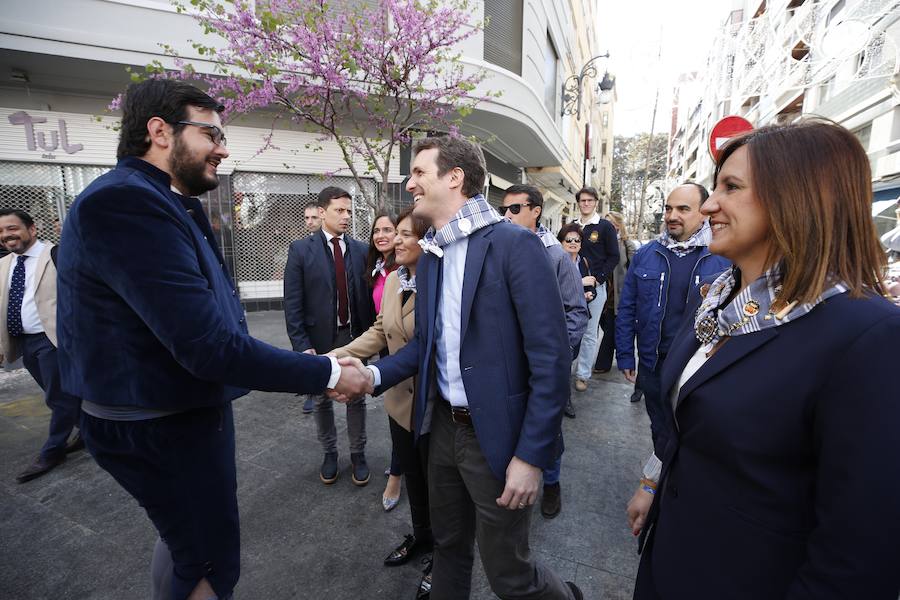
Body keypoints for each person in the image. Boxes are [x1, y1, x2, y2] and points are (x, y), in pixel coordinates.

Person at [55, 79, 372, 600]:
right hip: (159, 425)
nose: (223, 148)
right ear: (160, 131)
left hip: (174, 414)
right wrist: (332, 372)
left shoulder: (164, 200)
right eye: (211, 133)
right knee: (208, 561)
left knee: (184, 547)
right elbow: (207, 344)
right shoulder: (125, 204)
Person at [626, 120, 900, 599]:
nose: (710, 205)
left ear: (796, 198)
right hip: (670, 559)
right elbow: (688, 423)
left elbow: (860, 553)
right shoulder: (716, 299)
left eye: (731, 187)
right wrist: (652, 484)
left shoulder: (867, 335)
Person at [364, 135, 583, 600]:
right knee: (448, 547)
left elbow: (551, 359)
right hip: (442, 427)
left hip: (500, 439)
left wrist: (530, 456)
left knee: (510, 575)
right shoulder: (434, 253)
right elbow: (426, 344)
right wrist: (374, 375)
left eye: (419, 172)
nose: (410, 184)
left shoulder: (515, 246)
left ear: (455, 178)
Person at [332, 206, 434, 599]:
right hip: (398, 402)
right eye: (399, 233)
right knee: (412, 475)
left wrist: (369, 377)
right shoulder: (393, 280)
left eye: (409, 234)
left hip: (430, 404)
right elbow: (379, 330)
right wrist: (336, 356)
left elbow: (424, 345)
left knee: (438, 484)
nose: (398, 240)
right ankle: (422, 537)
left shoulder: (438, 283)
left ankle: (445, 553)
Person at [615, 184, 729, 454]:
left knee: (693, 434)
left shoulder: (723, 256)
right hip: (654, 363)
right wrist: (626, 356)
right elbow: (627, 307)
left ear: (703, 213)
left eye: (682, 209)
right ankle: (660, 482)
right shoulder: (646, 254)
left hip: (698, 366)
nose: (671, 215)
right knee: (660, 428)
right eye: (668, 208)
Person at [500, 184, 588, 519]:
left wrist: (555, 354)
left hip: (543, 363)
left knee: (547, 423)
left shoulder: (556, 256)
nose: (506, 216)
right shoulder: (501, 251)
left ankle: (551, 482)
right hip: (509, 363)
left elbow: (576, 312)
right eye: (503, 210)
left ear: (536, 210)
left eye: (514, 209)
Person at [283, 186, 377, 486]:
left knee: (356, 399)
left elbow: (368, 297)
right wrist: (302, 346)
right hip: (318, 341)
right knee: (321, 400)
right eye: (340, 210)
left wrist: (371, 340)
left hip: (353, 338)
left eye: (350, 211)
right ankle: (330, 453)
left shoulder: (362, 251)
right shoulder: (301, 250)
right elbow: (293, 303)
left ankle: (358, 454)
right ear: (322, 212)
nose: (346, 216)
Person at [0, 208, 83, 483]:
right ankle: (89, 432)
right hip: (25, 342)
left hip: (53, 339)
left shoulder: (56, 255)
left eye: (11, 228)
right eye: (1, 232)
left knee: (57, 397)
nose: (6, 235)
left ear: (32, 229)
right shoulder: (4, 264)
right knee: (59, 393)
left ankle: (53, 450)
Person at [572, 187, 619, 392]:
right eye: (582, 200)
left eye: (589, 200)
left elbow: (614, 256)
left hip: (596, 288)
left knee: (590, 333)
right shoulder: (572, 226)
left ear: (595, 203)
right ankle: (564, 370)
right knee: (570, 329)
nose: (586, 204)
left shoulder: (605, 227)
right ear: (578, 203)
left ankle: (582, 375)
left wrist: (599, 279)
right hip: (571, 287)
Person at [594, 211, 637, 374]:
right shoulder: (600, 243)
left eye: (610, 224)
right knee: (606, 326)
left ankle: (602, 364)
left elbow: (634, 271)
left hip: (617, 295)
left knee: (611, 328)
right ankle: (620, 353)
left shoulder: (627, 245)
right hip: (601, 291)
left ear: (618, 226)